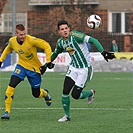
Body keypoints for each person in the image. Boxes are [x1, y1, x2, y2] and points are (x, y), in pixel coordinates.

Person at [46, 20, 115, 122]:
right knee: (65, 91)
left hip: (85, 69)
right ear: (59, 32)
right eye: (62, 29)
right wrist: (47, 63)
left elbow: (93, 40)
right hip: (73, 68)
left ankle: (90, 93)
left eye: (66, 28)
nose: (65, 31)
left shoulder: (76, 35)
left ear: (69, 29)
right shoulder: (60, 42)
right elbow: (56, 53)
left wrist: (103, 52)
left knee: (75, 95)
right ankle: (67, 116)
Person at [0, 24, 54, 120]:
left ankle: (45, 93)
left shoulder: (31, 40)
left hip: (34, 70)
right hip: (21, 67)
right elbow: (8, 49)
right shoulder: (12, 41)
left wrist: (48, 61)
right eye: (21, 34)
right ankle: (7, 111)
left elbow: (46, 46)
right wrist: (1, 60)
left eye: (24, 34)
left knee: (36, 94)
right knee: (11, 86)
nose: (23, 36)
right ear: (16, 33)